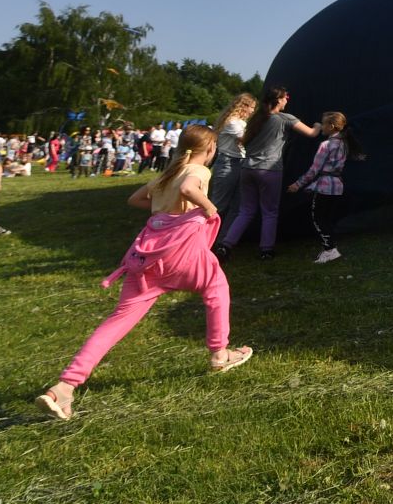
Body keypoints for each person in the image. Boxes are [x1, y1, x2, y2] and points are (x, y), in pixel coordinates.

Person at [36, 126, 251, 420]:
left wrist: (163, 211)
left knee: (118, 320)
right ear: (211, 149)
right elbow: (190, 189)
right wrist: (211, 209)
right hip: (183, 254)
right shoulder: (199, 171)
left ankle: (64, 387)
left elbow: (136, 199)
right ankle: (219, 353)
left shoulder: (168, 172)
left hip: (147, 257)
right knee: (216, 288)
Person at [216, 86, 316, 261]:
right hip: (269, 170)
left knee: (245, 211)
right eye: (286, 97)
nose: (287, 101)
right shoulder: (286, 119)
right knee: (270, 211)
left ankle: (225, 245)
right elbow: (312, 133)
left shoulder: (256, 120)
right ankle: (266, 249)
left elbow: (244, 142)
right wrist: (319, 125)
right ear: (278, 99)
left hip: (248, 169)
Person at [287, 111, 360, 264]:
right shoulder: (344, 143)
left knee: (318, 218)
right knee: (327, 218)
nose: (322, 127)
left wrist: (297, 184)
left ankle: (330, 249)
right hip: (337, 186)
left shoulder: (326, 145)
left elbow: (314, 169)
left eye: (324, 124)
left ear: (331, 126)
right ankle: (329, 248)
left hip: (325, 186)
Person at [210, 92, 255, 227]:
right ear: (244, 106)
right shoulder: (233, 122)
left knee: (236, 206)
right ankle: (206, 239)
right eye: (252, 107)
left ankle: (222, 241)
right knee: (219, 205)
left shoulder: (238, 122)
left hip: (237, 162)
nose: (253, 111)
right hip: (228, 163)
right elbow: (246, 140)